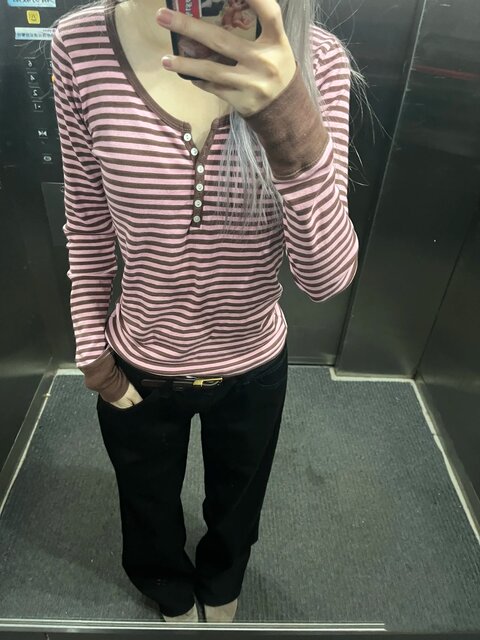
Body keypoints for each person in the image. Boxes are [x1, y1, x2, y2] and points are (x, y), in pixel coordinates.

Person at [50, 0, 360, 624]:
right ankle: (165, 587)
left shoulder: (315, 59)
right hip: (139, 362)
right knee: (146, 504)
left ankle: (221, 583)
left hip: (252, 363)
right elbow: (86, 219)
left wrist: (287, 122)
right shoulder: (80, 44)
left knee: (238, 505)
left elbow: (325, 278)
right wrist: (92, 354)